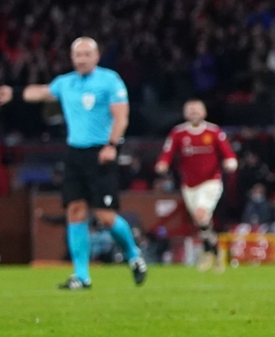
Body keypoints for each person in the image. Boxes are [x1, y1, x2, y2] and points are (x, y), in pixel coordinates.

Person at [0, 37, 147, 289]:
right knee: (75, 211)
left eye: (86, 55)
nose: (81, 59)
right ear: (72, 58)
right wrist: (11, 93)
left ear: (96, 56)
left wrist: (112, 145)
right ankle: (82, 276)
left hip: (101, 152)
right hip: (75, 154)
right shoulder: (66, 82)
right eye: (77, 55)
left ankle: (134, 255)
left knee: (105, 216)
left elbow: (121, 115)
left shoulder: (109, 80)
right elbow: (43, 92)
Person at [155, 99, 238, 272]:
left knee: (201, 214)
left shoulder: (213, 131)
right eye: (190, 110)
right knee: (201, 221)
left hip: (211, 181)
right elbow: (167, 152)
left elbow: (227, 152)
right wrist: (162, 163)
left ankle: (210, 251)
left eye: (197, 109)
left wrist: (231, 162)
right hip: (189, 185)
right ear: (185, 113)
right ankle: (213, 250)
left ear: (204, 112)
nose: (194, 112)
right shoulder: (178, 133)